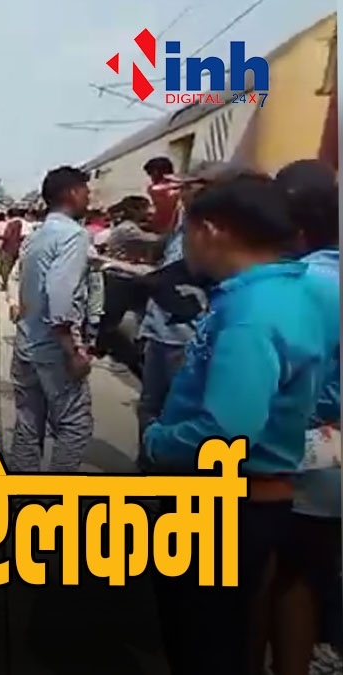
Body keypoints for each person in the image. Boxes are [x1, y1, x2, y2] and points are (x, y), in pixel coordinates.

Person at [141, 173, 334, 675]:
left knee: (200, 640)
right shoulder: (292, 293)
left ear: (212, 229)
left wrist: (160, 440)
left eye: (187, 229)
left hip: (221, 502)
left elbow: (227, 431)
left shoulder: (250, 313)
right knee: (228, 634)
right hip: (259, 497)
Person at [262, 160, 342, 675]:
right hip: (333, 461)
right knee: (308, 577)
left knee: (263, 579)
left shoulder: (297, 285)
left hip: (294, 452)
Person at [135, 161, 227, 455]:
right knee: (149, 406)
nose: (178, 193)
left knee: (178, 411)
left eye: (186, 187)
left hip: (186, 338)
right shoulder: (183, 225)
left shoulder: (217, 233)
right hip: (160, 332)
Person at [8, 166, 94, 474]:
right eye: (86, 191)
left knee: (28, 424)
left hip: (26, 345)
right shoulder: (73, 236)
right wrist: (73, 352)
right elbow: (60, 297)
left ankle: (22, 493)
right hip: (54, 350)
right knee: (74, 425)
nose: (89, 198)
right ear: (72, 193)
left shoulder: (37, 235)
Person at [145, 156, 181, 232]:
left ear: (156, 172)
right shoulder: (179, 185)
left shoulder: (155, 189)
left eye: (150, 174)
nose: (151, 178)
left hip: (165, 227)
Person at [0, 209, 25, 289]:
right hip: (20, 248)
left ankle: (5, 284)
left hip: (8, 248)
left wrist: (1, 237)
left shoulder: (11, 224)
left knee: (5, 267)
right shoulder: (24, 223)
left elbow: (7, 235)